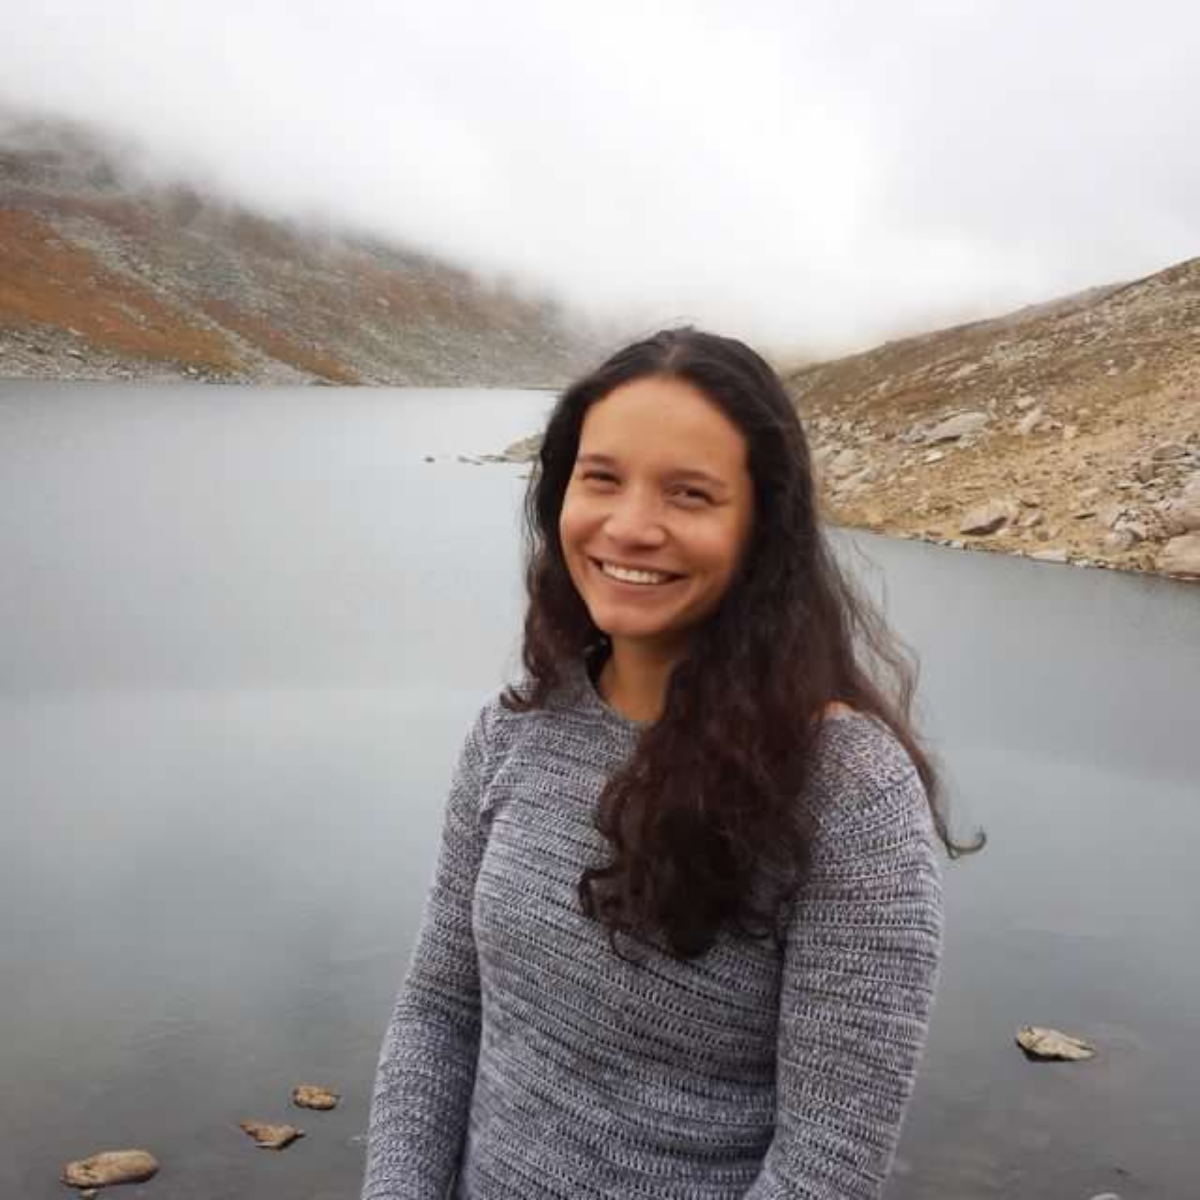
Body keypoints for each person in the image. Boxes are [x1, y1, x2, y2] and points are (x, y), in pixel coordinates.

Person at [362, 328, 972, 1200]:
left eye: (689, 494)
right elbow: (437, 1015)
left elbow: (825, 1167)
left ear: (762, 528)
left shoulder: (848, 793)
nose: (630, 527)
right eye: (601, 478)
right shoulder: (513, 732)